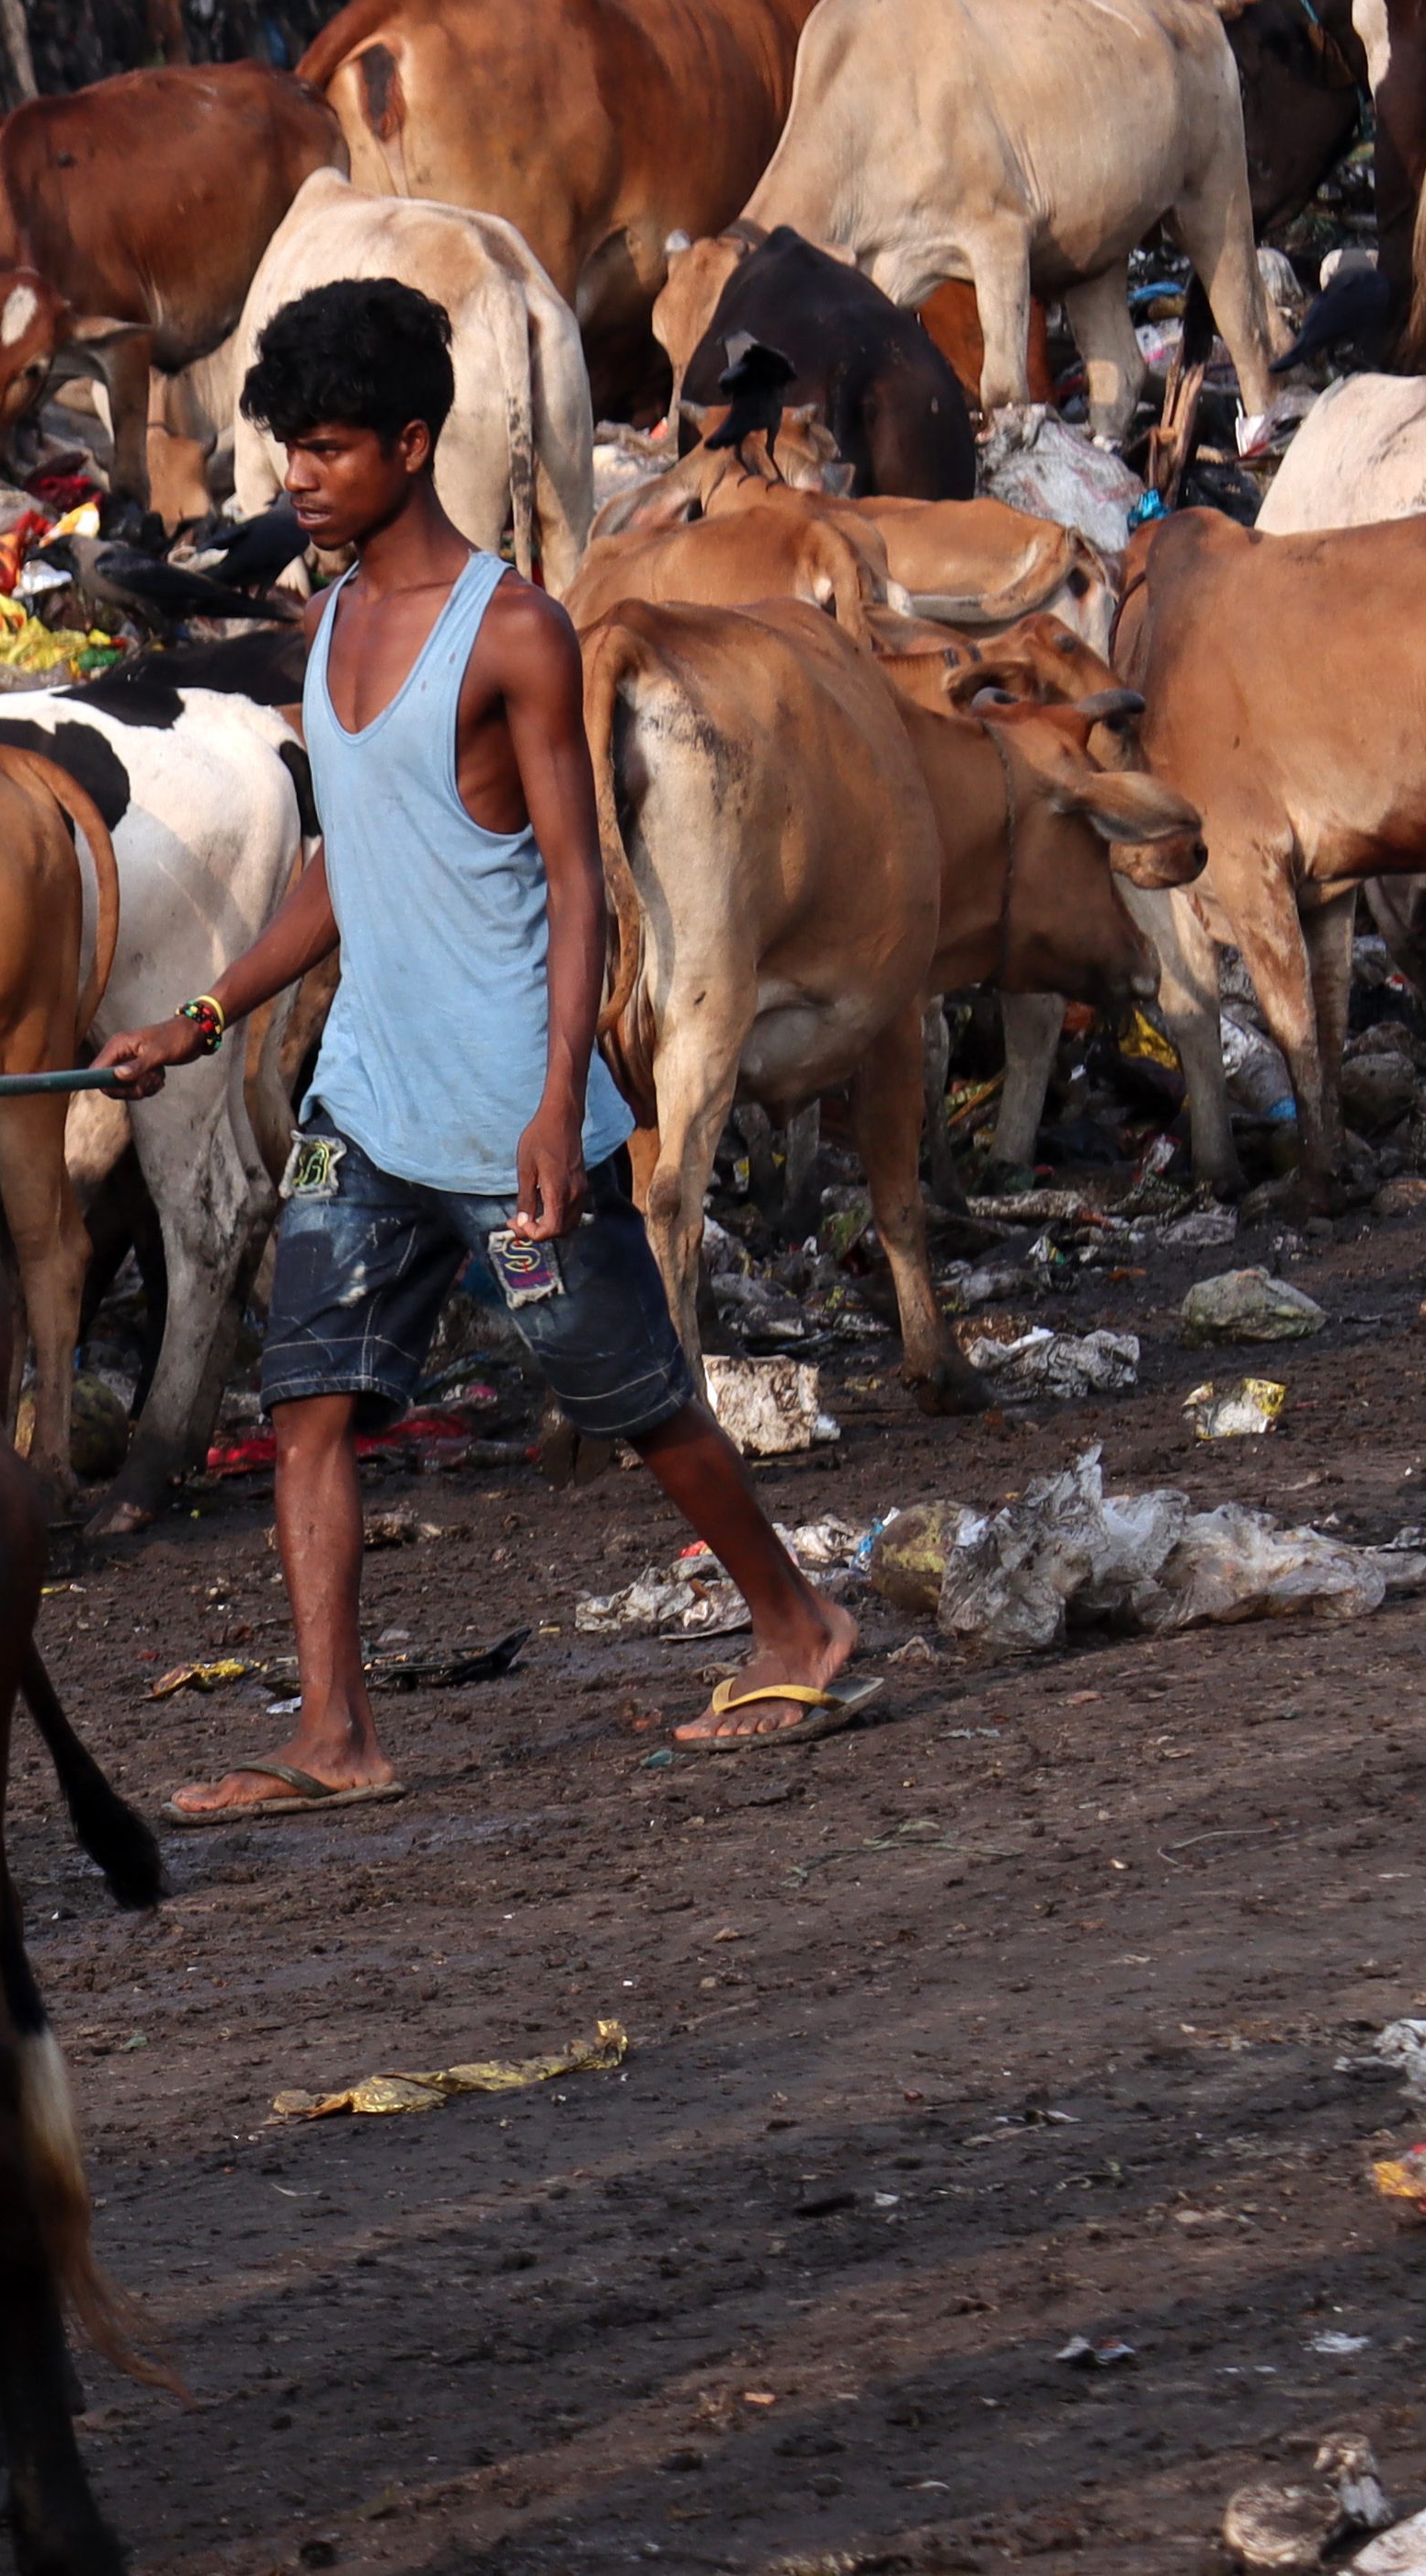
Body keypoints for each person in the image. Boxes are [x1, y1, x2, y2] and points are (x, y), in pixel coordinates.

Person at [92, 277, 873, 1817]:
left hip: (510, 1103)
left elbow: (581, 879)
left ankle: (801, 1623)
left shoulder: (509, 630)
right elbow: (347, 859)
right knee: (307, 1405)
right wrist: (199, 1017)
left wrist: (553, 1101)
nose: (298, 478)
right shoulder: (322, 631)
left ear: (411, 439)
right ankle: (337, 1738)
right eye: (286, 451)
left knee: (633, 1394)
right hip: (369, 1101)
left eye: (325, 450)